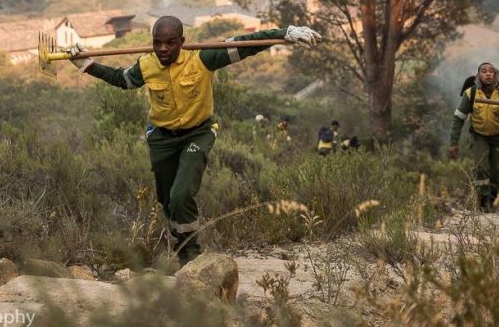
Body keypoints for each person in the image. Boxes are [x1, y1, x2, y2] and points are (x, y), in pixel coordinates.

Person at [69, 16, 321, 265]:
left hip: (197, 134)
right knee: (167, 201)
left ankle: (191, 258)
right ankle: (181, 247)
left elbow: (245, 44)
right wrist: (87, 65)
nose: (163, 49)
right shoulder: (146, 65)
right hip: (161, 138)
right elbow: (122, 80)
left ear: (182, 41)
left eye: (170, 43)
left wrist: (286, 32)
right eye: (157, 43)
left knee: (180, 196)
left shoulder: (203, 58)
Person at [448, 62, 499, 212]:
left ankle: (493, 203)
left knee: (497, 172)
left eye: (491, 71)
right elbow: (458, 118)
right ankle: (482, 204)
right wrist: (453, 143)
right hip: (480, 136)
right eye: (484, 71)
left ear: (495, 75)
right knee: (481, 169)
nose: (488, 74)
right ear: (478, 75)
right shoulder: (470, 93)